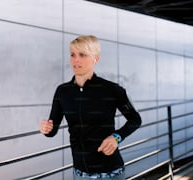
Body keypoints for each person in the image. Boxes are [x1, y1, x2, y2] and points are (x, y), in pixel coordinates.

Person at [39, 35, 142, 180]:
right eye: (73, 55)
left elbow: (135, 119)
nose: (76, 60)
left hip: (111, 173)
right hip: (80, 174)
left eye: (82, 55)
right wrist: (46, 129)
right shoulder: (63, 91)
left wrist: (116, 137)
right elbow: (52, 129)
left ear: (95, 58)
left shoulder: (112, 90)